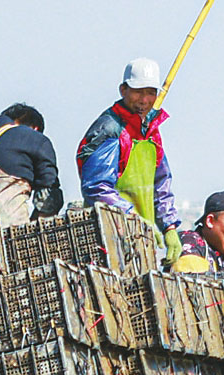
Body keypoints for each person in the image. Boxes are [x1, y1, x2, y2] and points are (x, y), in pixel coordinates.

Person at [77, 58, 182, 260]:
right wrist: (134, 218)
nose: (144, 100)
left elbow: (161, 182)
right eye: (138, 92)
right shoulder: (109, 129)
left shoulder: (151, 132)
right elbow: (96, 187)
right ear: (123, 90)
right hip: (109, 239)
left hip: (142, 238)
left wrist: (169, 226)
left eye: (150, 92)